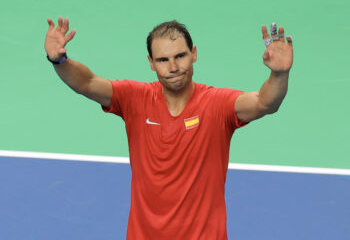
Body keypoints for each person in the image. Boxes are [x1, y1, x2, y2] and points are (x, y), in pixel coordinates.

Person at [44, 16, 293, 240]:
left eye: (180, 56)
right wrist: (59, 60)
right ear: (151, 63)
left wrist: (280, 75)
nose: (173, 67)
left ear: (194, 53)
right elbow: (87, 83)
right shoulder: (134, 99)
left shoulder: (218, 105)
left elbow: (264, 102)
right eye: (163, 60)